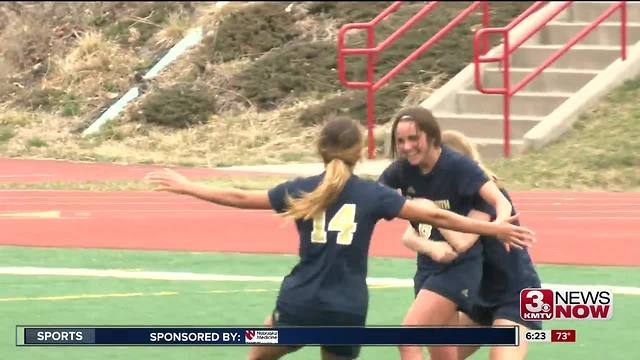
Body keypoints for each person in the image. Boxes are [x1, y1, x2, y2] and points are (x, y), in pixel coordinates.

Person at [145, 117, 534, 360]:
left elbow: (240, 197)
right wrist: (494, 227)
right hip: (346, 310)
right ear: (361, 153)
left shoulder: (302, 189)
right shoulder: (371, 194)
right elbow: (433, 214)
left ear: (319, 149)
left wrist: (188, 186)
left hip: (299, 302)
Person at [378, 107, 523, 360]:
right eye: (401, 141)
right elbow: (402, 226)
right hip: (454, 284)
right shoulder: (406, 171)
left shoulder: (471, 182)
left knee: (408, 339)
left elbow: (464, 242)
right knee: (443, 353)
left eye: (414, 139)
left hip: (504, 289)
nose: (407, 146)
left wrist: (499, 226)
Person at [402, 130, 542, 360]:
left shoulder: (487, 196)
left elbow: (463, 241)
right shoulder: (445, 199)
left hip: (515, 295)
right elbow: (409, 236)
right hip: (476, 297)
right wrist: (431, 246)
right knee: (444, 353)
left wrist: (434, 212)